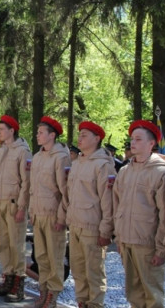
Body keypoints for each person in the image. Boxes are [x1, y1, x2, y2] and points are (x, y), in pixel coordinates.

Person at [113, 120, 165, 308]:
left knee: (152, 295)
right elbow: (117, 206)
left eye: (138, 139)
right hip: (127, 241)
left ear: (151, 144)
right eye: (132, 139)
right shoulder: (124, 171)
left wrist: (161, 248)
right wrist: (119, 239)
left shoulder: (161, 173)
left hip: (148, 244)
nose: (133, 142)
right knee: (133, 293)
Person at [66, 121, 114, 308]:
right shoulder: (77, 163)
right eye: (80, 134)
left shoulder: (103, 164)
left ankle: (95, 304)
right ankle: (82, 303)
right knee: (78, 271)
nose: (80, 137)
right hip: (76, 225)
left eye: (85, 135)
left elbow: (108, 200)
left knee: (94, 272)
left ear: (97, 138)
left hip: (92, 227)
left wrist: (105, 230)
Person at [0, 115, 32, 303]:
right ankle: (8, 278)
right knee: (4, 244)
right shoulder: (1, 151)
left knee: (16, 245)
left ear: (12, 131)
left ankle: (18, 285)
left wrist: (22, 206)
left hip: (14, 203)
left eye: (2, 129)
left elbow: (26, 182)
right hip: (1, 202)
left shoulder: (23, 151)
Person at [27, 116, 71, 307]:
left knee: (55, 256)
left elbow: (65, 191)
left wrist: (62, 217)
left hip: (53, 215)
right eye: (37, 132)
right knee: (42, 256)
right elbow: (32, 187)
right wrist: (31, 211)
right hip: (38, 212)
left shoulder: (61, 157)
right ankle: (43, 290)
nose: (37, 135)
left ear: (52, 135)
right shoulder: (37, 157)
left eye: (41, 132)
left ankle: (53, 293)